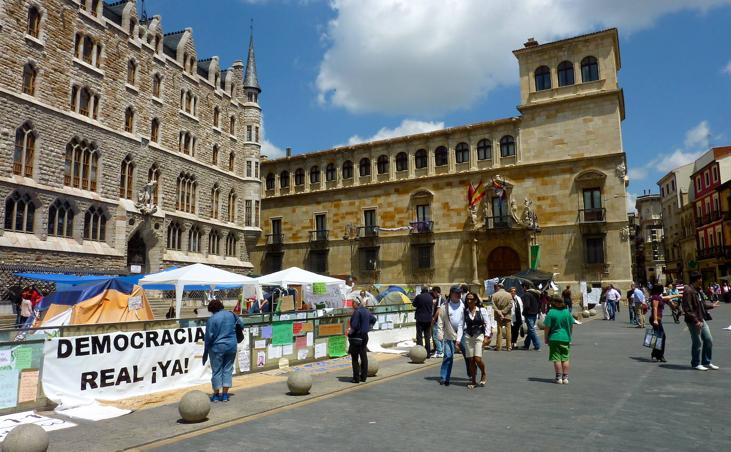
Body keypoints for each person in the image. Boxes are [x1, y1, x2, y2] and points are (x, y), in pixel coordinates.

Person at [203, 299, 244, 402]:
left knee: (216, 371)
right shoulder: (232, 314)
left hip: (217, 348)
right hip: (231, 346)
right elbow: (242, 325)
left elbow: (208, 337)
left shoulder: (212, 319)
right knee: (228, 369)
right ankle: (225, 395)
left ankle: (216, 395)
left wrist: (206, 351)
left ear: (211, 309)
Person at [681, 272, 719, 371]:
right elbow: (687, 308)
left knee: (708, 339)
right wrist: (696, 321)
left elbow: (701, 305)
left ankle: (706, 361)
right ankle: (695, 363)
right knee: (697, 342)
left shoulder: (697, 290)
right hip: (693, 321)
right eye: (700, 279)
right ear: (696, 279)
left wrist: (711, 306)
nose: (702, 281)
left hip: (701, 319)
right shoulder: (688, 291)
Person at [437, 286, 464, 386]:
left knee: (468, 356)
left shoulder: (464, 305)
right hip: (449, 334)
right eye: (457, 293)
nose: (459, 295)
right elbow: (440, 321)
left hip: (463, 335)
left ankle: (471, 374)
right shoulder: (445, 306)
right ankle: (444, 377)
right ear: (451, 293)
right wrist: (440, 333)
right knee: (448, 356)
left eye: (460, 293)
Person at [543, 295, 573, 384]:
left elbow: (547, 327)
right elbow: (571, 326)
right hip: (565, 337)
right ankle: (565, 378)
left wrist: (546, 338)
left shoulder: (551, 313)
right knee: (565, 358)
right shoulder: (567, 312)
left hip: (554, 337)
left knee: (557, 358)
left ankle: (558, 378)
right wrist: (569, 336)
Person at [463, 292, 488, 389]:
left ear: (476, 300)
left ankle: (483, 372)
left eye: (471, 299)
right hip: (468, 336)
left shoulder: (481, 310)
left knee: (477, 359)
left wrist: (487, 337)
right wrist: (457, 340)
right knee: (471, 360)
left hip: (479, 335)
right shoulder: (465, 311)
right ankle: (473, 381)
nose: (469, 301)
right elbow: (461, 325)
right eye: (467, 299)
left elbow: (487, 323)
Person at [348, 298, 376, 383]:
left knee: (355, 358)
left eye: (353, 303)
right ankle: (363, 377)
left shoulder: (357, 312)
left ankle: (356, 378)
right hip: (365, 336)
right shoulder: (366, 311)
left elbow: (354, 325)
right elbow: (374, 319)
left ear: (357, 304)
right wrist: (369, 327)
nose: (352, 305)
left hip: (357, 337)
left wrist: (350, 332)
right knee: (364, 356)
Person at [649, 285, 678, 363]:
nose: (664, 290)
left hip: (658, 319)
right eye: (663, 289)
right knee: (662, 336)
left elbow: (668, 297)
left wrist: (678, 295)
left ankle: (655, 353)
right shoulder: (655, 297)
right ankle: (660, 355)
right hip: (655, 319)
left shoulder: (658, 296)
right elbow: (655, 308)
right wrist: (655, 320)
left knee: (658, 336)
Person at [413, 286, 434, 358]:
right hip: (428, 319)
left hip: (420, 319)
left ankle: (420, 353)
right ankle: (428, 353)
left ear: (422, 290)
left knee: (419, 336)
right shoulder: (430, 297)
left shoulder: (419, 297)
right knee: (427, 336)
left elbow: (414, 304)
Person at [492, 283, 513, 351]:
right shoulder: (509, 294)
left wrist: (499, 312)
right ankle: (508, 346)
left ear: (498, 287)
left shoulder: (494, 295)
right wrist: (504, 311)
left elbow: (493, 305)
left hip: (498, 315)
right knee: (508, 331)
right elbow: (510, 305)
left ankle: (498, 346)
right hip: (507, 315)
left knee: (499, 331)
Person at [521, 282, 541, 351]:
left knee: (531, 330)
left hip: (529, 314)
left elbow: (527, 305)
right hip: (534, 313)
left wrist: (523, 312)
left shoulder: (527, 294)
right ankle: (526, 344)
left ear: (524, 287)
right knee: (530, 329)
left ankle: (537, 345)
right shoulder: (535, 294)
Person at [431, 286, 445, 358]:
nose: (433, 294)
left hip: (438, 320)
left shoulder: (439, 299)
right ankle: (441, 350)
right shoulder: (442, 299)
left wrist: (434, 319)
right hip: (442, 320)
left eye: (433, 292)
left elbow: (438, 310)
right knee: (440, 336)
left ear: (436, 292)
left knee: (435, 336)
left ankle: (440, 351)